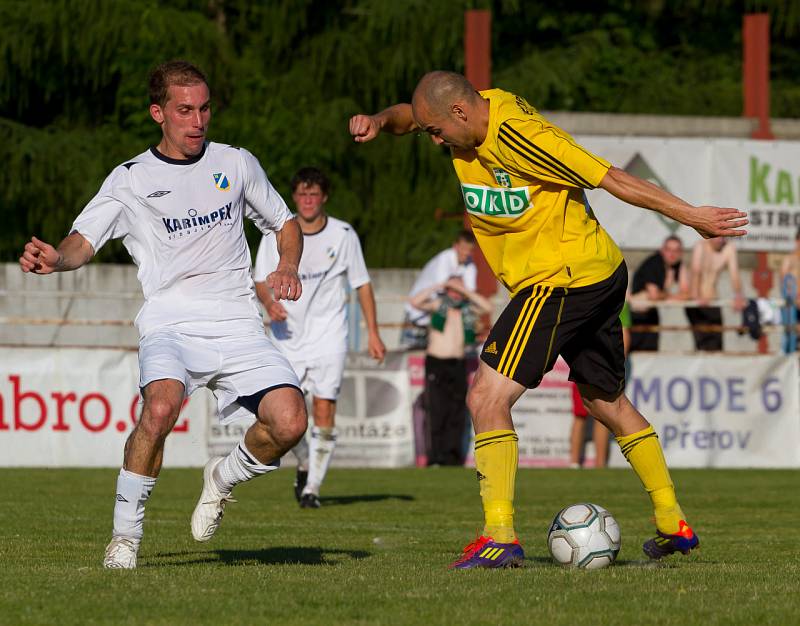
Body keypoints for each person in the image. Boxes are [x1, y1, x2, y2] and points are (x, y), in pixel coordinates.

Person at [349, 71, 747, 568]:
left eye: (436, 132)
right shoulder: (461, 112)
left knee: (486, 397)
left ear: (459, 113)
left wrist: (691, 217)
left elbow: (614, 178)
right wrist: (382, 120)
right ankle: (673, 522)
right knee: (606, 402)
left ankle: (500, 537)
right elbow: (413, 115)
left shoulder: (523, 136)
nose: (433, 141)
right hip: (596, 270)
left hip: (562, 278)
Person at [19, 61, 308, 569]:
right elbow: (83, 241)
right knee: (159, 409)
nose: (198, 120)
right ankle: (124, 539)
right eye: (184, 110)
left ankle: (222, 478)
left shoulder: (236, 163)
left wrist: (287, 263)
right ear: (159, 113)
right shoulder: (130, 178)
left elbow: (285, 223)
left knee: (290, 423)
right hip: (170, 322)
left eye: (204, 108)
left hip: (238, 323)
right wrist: (57, 259)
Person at [254, 167, 386, 509]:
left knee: (325, 407)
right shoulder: (276, 234)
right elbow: (259, 281)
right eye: (302, 194)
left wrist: (373, 332)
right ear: (294, 197)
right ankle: (303, 461)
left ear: (324, 197)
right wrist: (270, 303)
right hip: (286, 337)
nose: (308, 200)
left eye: (314, 194)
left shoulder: (343, 234)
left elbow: (362, 284)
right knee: (280, 414)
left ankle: (312, 488)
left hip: (329, 336)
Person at [409, 276, 492, 466]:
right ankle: (435, 457)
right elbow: (415, 301)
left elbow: (487, 307)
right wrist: (439, 285)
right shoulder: (439, 305)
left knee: (457, 410)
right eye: (453, 288)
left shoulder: (466, 309)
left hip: (458, 363)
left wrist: (464, 291)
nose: (455, 292)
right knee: (437, 409)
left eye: (459, 288)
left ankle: (452, 457)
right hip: (437, 362)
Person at [568, 301, 631, 468]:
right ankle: (591, 463)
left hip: (586, 362)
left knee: (593, 415)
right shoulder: (617, 298)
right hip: (594, 363)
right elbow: (625, 336)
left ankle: (587, 463)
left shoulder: (583, 294)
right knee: (595, 415)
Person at [403, 231, 478, 348]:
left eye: (470, 250)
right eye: (464, 248)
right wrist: (460, 289)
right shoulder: (444, 259)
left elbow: (470, 293)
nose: (466, 253)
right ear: (455, 246)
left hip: (438, 315)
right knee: (411, 357)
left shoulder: (470, 265)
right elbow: (444, 289)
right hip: (417, 312)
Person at [629, 235, 690, 351]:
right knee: (634, 358)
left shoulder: (677, 265)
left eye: (676, 250)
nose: (672, 254)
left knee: (651, 353)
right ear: (662, 250)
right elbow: (654, 295)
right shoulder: (654, 263)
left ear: (681, 252)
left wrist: (665, 295)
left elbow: (687, 293)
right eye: (669, 250)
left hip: (651, 314)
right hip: (636, 317)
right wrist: (670, 296)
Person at [686, 237, 745, 351]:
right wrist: (697, 298)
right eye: (717, 236)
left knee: (717, 344)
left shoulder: (728, 248)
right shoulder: (701, 246)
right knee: (702, 343)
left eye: (723, 236)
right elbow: (695, 272)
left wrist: (738, 295)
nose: (720, 240)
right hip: (696, 302)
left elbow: (735, 275)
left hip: (713, 301)